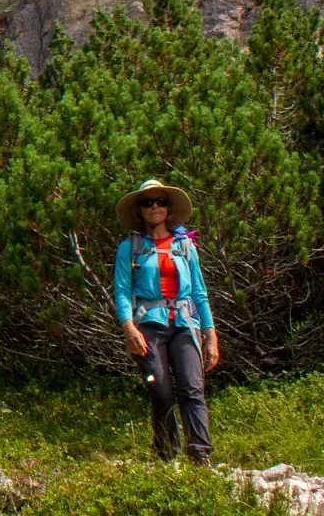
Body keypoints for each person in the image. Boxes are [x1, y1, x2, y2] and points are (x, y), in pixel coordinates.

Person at [112, 179, 220, 465]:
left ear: (169, 208)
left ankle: (200, 455)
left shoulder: (186, 246)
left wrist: (210, 334)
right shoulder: (129, 248)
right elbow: (122, 291)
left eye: (160, 201)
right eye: (148, 203)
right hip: (148, 326)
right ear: (140, 210)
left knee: (192, 387)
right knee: (159, 389)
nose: (155, 207)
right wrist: (128, 327)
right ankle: (166, 457)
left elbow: (199, 292)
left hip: (185, 324)